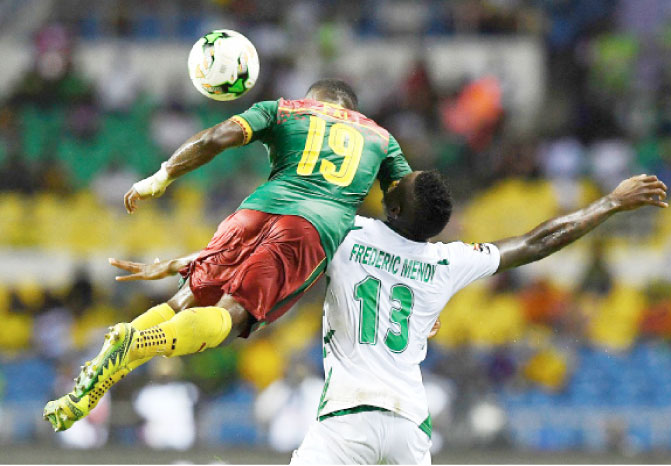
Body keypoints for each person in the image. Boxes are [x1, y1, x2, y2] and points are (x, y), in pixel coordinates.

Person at [104, 171, 667, 463]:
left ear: (393, 209)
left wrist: (181, 266)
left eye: (393, 188)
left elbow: (255, 247)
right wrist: (610, 203)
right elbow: (539, 241)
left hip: (346, 419)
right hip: (409, 428)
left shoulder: (346, 232)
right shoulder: (448, 260)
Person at [43, 78, 412, 432]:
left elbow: (214, 137)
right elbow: (410, 207)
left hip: (251, 212)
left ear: (313, 98)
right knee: (231, 319)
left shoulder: (285, 110)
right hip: (309, 229)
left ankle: (86, 388)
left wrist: (160, 177)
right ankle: (138, 341)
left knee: (182, 302)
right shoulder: (380, 138)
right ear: (351, 106)